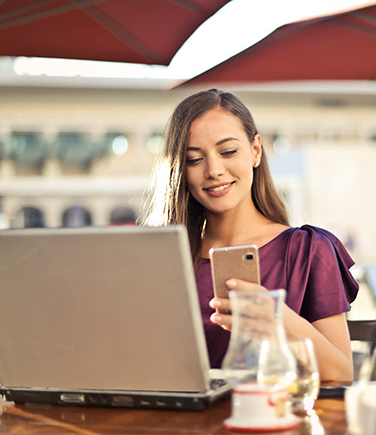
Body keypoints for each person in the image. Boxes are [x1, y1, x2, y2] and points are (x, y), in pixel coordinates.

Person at [142, 89, 358, 382]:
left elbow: (342, 373)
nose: (214, 170)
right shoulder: (163, 259)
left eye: (228, 151)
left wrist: (277, 319)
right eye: (194, 159)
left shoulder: (308, 249)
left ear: (255, 150)